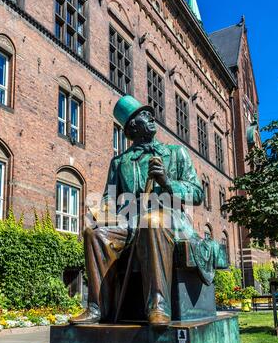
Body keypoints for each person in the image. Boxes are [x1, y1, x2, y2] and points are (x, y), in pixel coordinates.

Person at [71, 95, 207, 327]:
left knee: (152, 221)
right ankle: (98, 307)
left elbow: (196, 194)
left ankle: (158, 305)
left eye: (150, 114)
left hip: (167, 217)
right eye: (145, 115)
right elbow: (109, 198)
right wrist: (100, 213)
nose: (151, 117)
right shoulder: (119, 162)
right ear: (133, 126)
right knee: (95, 232)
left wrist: (166, 182)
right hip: (128, 221)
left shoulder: (176, 153)